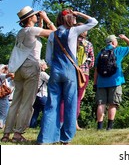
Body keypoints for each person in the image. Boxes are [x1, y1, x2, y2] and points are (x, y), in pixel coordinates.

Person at [37, 9, 97, 145]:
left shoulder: (53, 35)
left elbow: (48, 58)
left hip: (56, 71)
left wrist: (56, 67)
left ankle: (46, 137)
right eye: (73, 17)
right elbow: (94, 21)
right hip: (70, 71)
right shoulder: (73, 31)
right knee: (70, 103)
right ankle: (65, 138)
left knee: (52, 104)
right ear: (70, 19)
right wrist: (80, 14)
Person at [1, 6, 56, 143]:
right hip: (31, 67)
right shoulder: (33, 30)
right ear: (30, 18)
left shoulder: (21, 32)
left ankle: (6, 134)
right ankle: (18, 134)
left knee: (15, 102)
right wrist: (46, 18)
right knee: (27, 103)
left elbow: (37, 37)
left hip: (18, 68)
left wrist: (40, 21)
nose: (37, 16)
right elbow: (56, 33)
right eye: (35, 15)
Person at [95, 34, 129, 130]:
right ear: (113, 42)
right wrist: (125, 38)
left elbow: (96, 69)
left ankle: (99, 127)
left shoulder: (100, 53)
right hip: (115, 82)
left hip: (101, 82)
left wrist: (95, 83)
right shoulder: (118, 51)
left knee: (101, 104)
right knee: (113, 104)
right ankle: (109, 127)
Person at [75, 25, 95, 130]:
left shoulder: (71, 41)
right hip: (83, 73)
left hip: (71, 71)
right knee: (78, 98)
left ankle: (62, 120)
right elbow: (92, 61)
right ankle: (75, 122)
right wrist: (86, 67)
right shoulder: (88, 44)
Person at [29, 60, 50, 128]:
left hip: (35, 95)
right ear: (42, 66)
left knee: (36, 111)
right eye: (44, 64)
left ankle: (32, 125)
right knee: (46, 111)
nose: (46, 65)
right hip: (42, 94)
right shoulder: (43, 74)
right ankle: (44, 126)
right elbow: (50, 80)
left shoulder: (34, 73)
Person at [0, 65, 14, 129]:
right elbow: (9, 75)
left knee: (4, 112)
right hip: (2, 97)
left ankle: (2, 124)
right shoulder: (1, 76)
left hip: (4, 97)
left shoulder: (4, 78)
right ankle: (1, 125)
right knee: (4, 113)